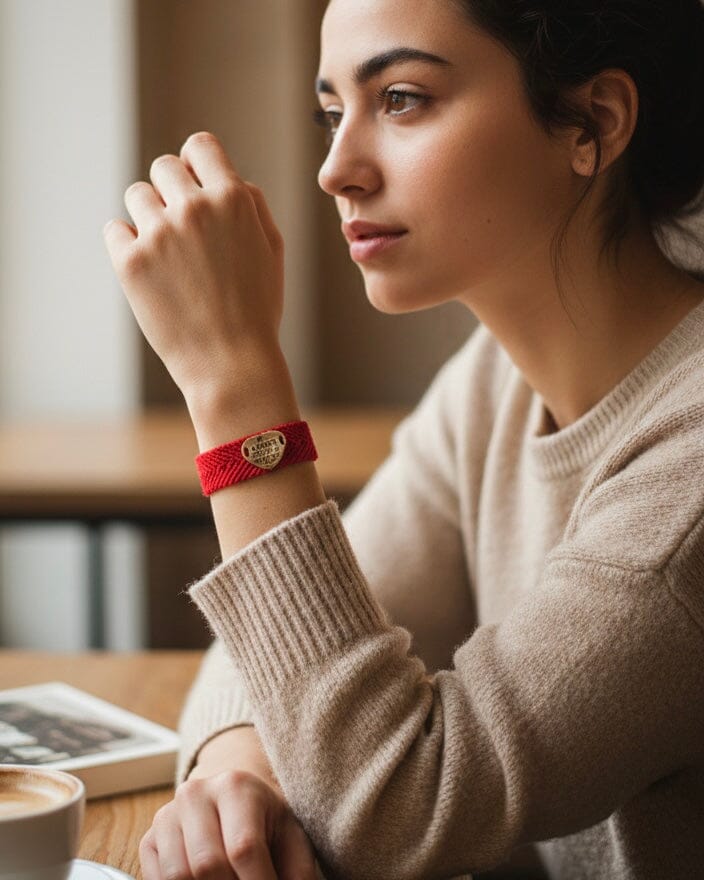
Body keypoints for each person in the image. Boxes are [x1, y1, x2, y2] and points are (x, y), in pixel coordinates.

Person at [103, 0, 704, 877]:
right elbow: (282, 644)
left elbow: (396, 808)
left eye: (403, 99)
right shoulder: (496, 382)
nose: (335, 170)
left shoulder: (687, 477)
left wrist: (232, 382)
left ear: (593, 123)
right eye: (332, 113)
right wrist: (239, 777)